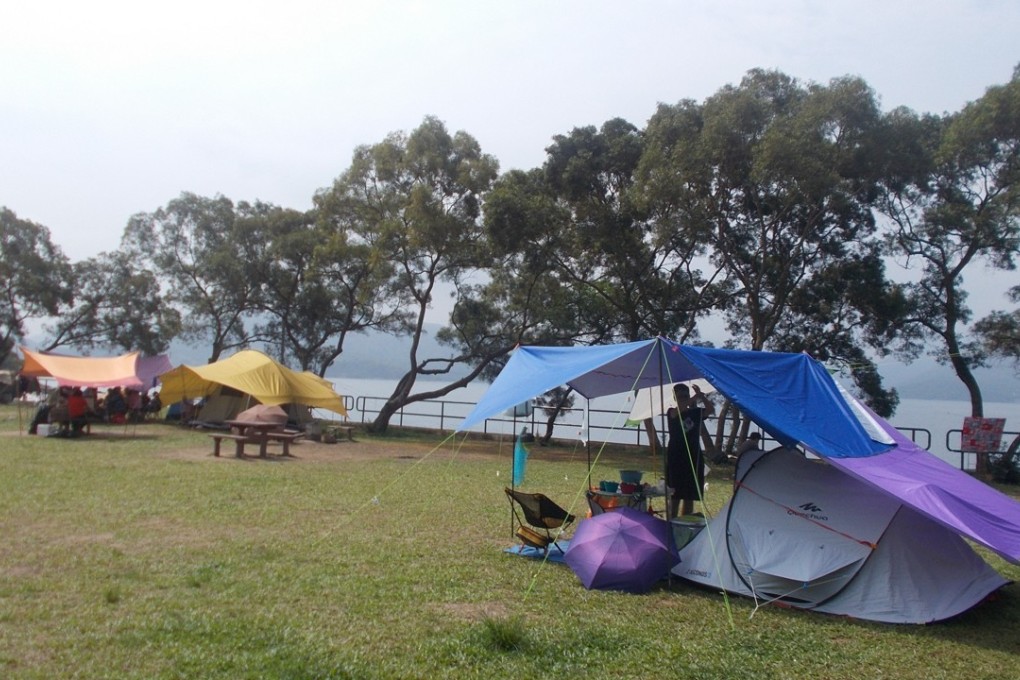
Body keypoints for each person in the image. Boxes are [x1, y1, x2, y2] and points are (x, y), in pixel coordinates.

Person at [666, 382, 715, 519]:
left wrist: (702, 397)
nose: (683, 399)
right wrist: (693, 398)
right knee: (675, 494)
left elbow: (710, 410)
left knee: (689, 494)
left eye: (685, 395)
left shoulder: (695, 412)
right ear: (675, 398)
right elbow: (679, 410)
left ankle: (685, 522)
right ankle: (671, 521)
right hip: (676, 456)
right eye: (680, 396)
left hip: (693, 455)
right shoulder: (672, 412)